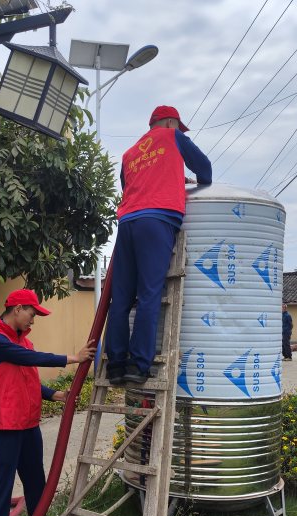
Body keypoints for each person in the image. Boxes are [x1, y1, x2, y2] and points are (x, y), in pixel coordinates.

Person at [0, 288, 95, 516]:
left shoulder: (23, 344)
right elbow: (28, 360)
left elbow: (25, 378)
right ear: (17, 309)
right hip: (5, 426)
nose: (34, 320)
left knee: (35, 481)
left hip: (28, 422)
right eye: (32, 313)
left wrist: (54, 394)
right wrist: (72, 358)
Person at [106, 105, 212, 385]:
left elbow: (126, 185)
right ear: (169, 122)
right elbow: (205, 168)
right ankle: (138, 365)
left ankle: (115, 365)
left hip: (127, 221)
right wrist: (195, 183)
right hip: (157, 219)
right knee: (150, 293)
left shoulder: (130, 153)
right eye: (177, 125)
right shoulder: (172, 137)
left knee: (121, 299)